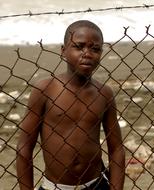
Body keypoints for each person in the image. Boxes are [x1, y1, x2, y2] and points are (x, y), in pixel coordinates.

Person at [16, 20, 125, 190]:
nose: (87, 54)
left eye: (95, 49)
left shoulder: (104, 93)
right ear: (63, 50)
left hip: (97, 184)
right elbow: (24, 147)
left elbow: (117, 148)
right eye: (79, 46)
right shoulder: (45, 90)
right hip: (56, 187)